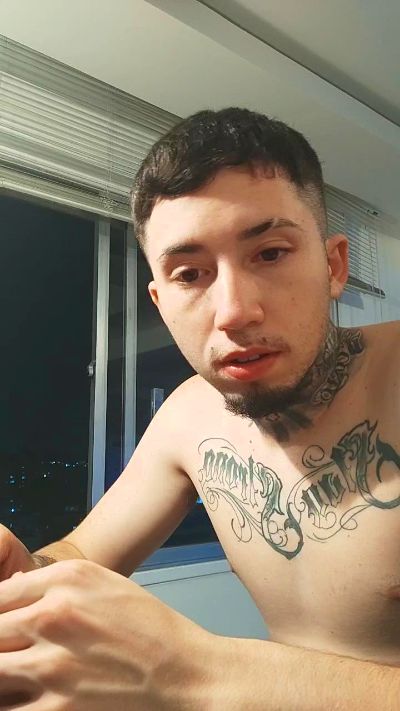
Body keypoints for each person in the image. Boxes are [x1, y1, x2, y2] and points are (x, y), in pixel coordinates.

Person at [0, 107, 399, 710]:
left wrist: (198, 672)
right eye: (190, 274)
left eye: (270, 253)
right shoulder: (190, 416)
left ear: (333, 265)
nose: (234, 311)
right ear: (161, 302)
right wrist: (21, 572)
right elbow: (82, 554)